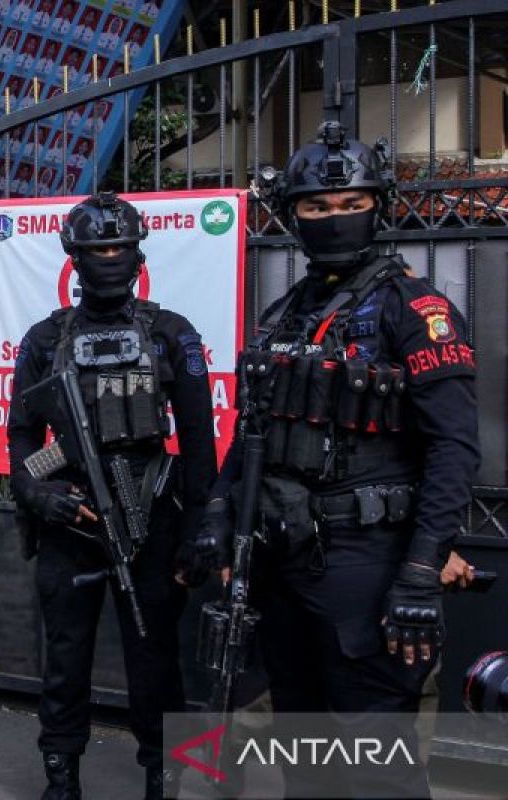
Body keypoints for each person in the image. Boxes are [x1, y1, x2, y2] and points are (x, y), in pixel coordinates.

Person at [195, 121, 480, 798]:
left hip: (368, 563)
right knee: (305, 754)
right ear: (293, 214)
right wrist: (217, 512)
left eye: (351, 204)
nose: (334, 218)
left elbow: (454, 446)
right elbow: (251, 434)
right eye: (316, 207)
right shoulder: (284, 313)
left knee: (377, 765)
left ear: (377, 206)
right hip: (284, 558)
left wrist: (418, 572)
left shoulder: (416, 308)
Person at [7, 192, 218, 800]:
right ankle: (61, 775)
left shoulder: (171, 335)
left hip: (153, 514)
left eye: (119, 248)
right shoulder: (45, 340)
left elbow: (200, 443)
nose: (108, 258)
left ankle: (165, 773)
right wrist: (38, 494)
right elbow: (22, 435)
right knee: (66, 658)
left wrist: (201, 527)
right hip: (71, 519)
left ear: (136, 254)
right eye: (96, 249)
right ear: (74, 258)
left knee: (155, 659)